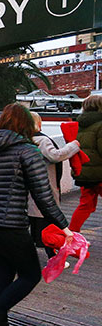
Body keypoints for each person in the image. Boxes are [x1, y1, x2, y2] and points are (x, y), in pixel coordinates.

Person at [0, 103, 74, 326]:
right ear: (27, 123)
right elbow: (44, 195)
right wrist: (64, 227)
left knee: (4, 274)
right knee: (30, 275)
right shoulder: (28, 151)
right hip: (11, 227)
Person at [27, 111, 80, 262]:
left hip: (28, 193)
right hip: (45, 189)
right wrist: (73, 146)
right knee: (49, 228)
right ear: (37, 124)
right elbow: (55, 155)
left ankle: (27, 257)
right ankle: (54, 258)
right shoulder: (42, 141)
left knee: (32, 227)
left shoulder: (24, 141)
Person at [69, 94, 102, 232]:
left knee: (85, 205)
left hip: (83, 172)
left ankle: (71, 234)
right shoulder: (100, 125)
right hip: (99, 173)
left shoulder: (79, 124)